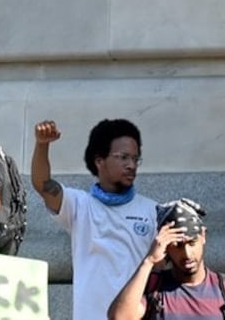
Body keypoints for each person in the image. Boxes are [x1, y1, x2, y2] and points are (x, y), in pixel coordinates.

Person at [32, 119, 157, 320]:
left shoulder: (153, 211)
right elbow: (43, 184)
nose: (131, 165)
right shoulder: (79, 205)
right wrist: (42, 144)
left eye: (135, 159)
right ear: (99, 161)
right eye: (123, 157)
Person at [108, 198, 225, 320]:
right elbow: (120, 317)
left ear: (203, 236)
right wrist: (149, 261)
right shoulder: (153, 289)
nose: (187, 254)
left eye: (192, 242)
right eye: (178, 246)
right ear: (166, 247)